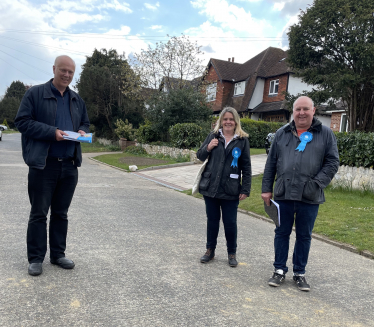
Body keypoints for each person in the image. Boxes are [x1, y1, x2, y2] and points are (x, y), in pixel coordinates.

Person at [15, 55, 90, 276]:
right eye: (63, 70)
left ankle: (58, 255)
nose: (67, 75)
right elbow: (22, 122)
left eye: (70, 72)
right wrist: (51, 133)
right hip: (43, 165)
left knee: (61, 213)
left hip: (69, 165)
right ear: (54, 69)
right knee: (39, 213)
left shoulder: (77, 99)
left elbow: (84, 122)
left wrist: (83, 131)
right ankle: (36, 258)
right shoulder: (35, 94)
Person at [261, 96, 339, 291]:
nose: (302, 113)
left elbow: (332, 162)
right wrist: (266, 189)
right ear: (293, 112)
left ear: (314, 110)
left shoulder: (326, 134)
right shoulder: (281, 133)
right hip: (283, 194)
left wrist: (317, 183)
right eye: (298, 109)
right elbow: (271, 163)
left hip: (310, 196)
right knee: (281, 233)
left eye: (306, 109)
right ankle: (279, 270)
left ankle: (299, 273)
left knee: (304, 236)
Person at [196, 107, 251, 267]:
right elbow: (200, 156)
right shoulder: (213, 136)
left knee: (230, 222)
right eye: (225, 119)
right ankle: (210, 250)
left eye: (231, 119)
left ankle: (231, 253)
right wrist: (208, 147)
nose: (228, 122)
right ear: (221, 121)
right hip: (211, 187)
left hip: (231, 189)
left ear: (236, 122)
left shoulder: (242, 140)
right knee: (212, 221)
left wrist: (245, 188)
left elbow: (246, 167)